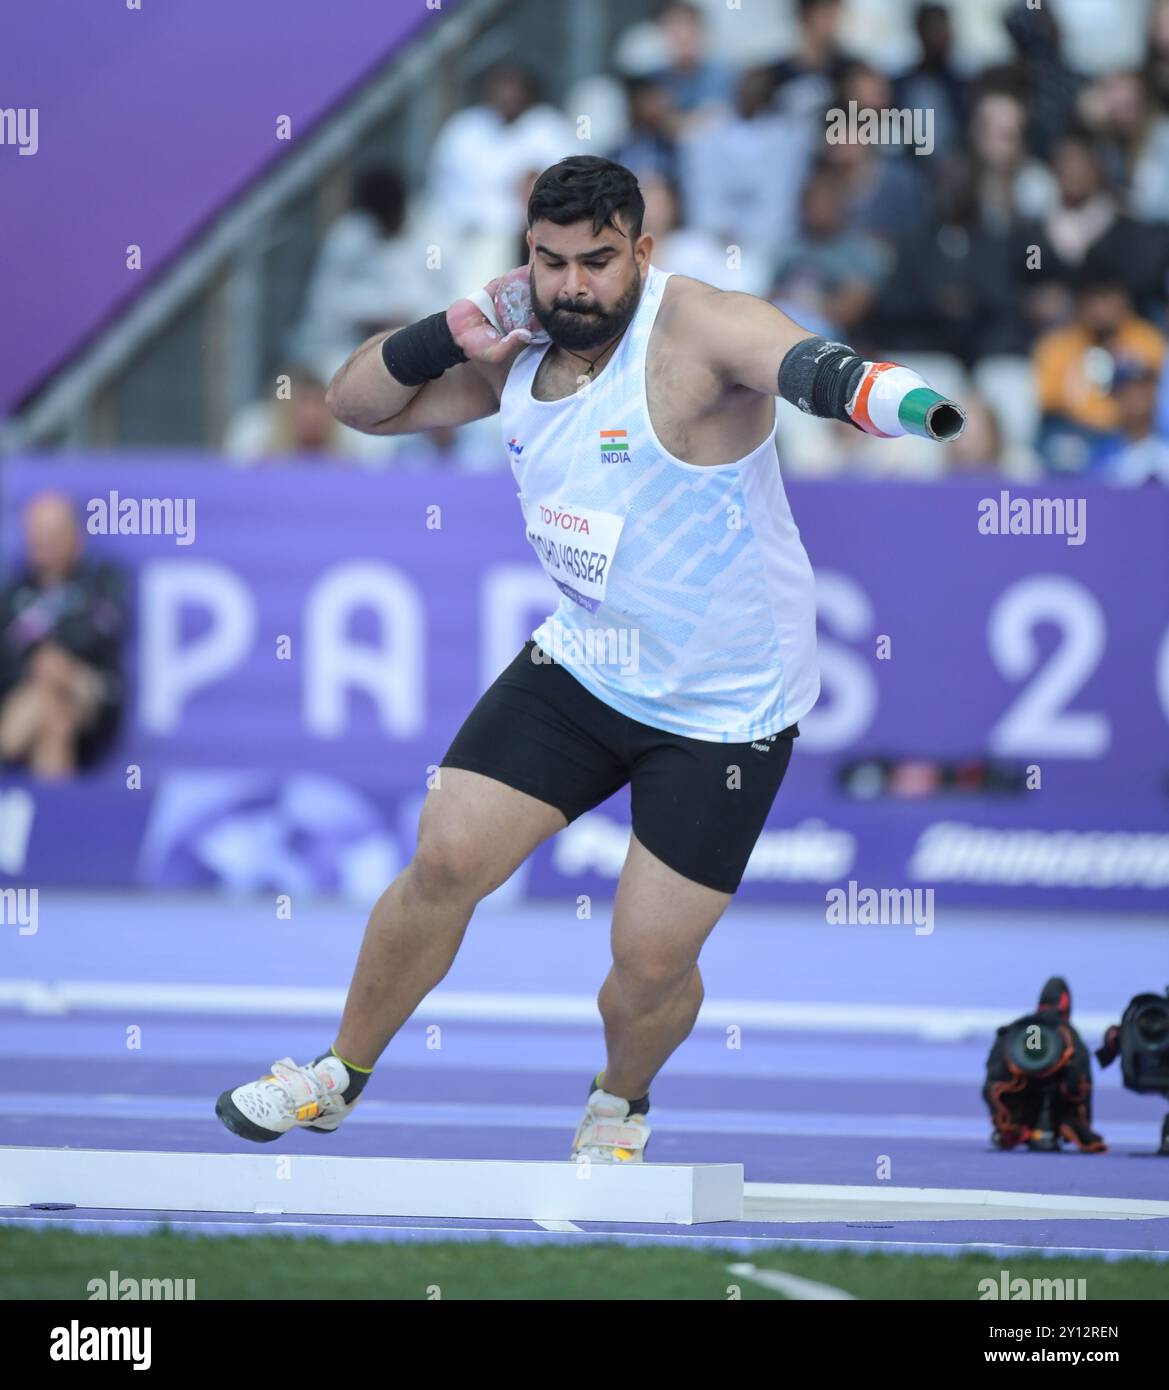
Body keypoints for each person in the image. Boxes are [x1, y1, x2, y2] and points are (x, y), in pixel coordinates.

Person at [216, 156, 964, 1162]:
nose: (572, 285)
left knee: (646, 963)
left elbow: (808, 364)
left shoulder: (693, 328)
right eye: (550, 260)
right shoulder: (516, 339)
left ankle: (620, 1096)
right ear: (526, 252)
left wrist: (903, 403)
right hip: (583, 665)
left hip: (723, 707)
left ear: (640, 252)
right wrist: (447, 331)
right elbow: (357, 406)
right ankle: (338, 1073)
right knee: (443, 858)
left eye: (597, 262)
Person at [0, 493, 125, 779]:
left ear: (76, 537)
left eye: (53, 533)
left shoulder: (101, 582)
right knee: (55, 719)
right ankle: (55, 817)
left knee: (58, 678)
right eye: (37, 533)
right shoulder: (12, 595)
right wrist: (38, 664)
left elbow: (99, 633)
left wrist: (51, 659)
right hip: (30, 698)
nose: (44, 541)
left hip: (90, 700)